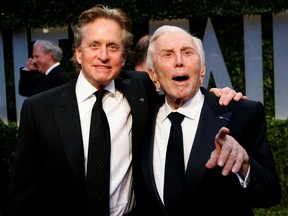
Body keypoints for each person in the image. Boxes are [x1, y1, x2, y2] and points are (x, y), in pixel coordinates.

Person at [8, 5, 244, 216]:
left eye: (113, 47)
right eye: (94, 46)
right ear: (78, 53)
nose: (103, 56)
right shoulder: (39, 109)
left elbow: (180, 86)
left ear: (123, 57)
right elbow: (23, 192)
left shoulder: (141, 89)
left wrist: (218, 95)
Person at [133, 25, 282, 216]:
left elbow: (270, 195)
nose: (179, 61)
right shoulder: (140, 114)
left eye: (187, 53)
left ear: (202, 71)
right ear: (153, 76)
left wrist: (245, 166)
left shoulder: (241, 113)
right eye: (167, 54)